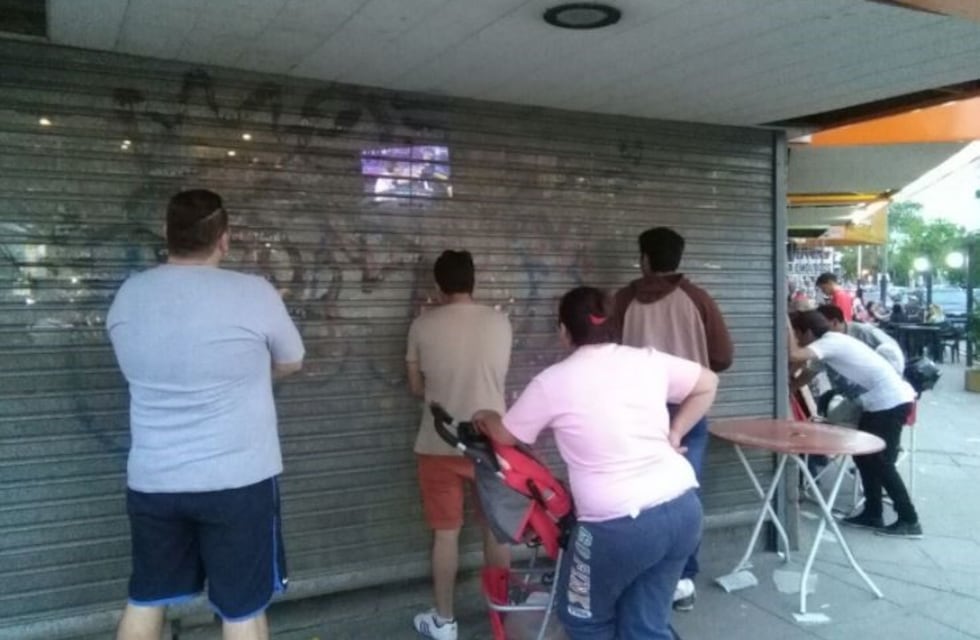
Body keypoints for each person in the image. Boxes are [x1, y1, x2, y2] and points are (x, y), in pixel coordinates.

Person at [107, 190, 305, 640]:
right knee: (241, 608)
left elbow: (131, 368)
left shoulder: (129, 294)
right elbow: (292, 360)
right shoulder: (253, 293)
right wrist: (250, 373)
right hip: (237, 482)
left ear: (167, 236)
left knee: (146, 596)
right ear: (224, 240)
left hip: (154, 481)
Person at [473, 286, 718, 639]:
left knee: (584, 619)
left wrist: (485, 414)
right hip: (682, 510)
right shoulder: (647, 360)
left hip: (615, 526)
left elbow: (507, 435)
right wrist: (676, 433)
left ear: (563, 331)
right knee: (645, 624)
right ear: (613, 325)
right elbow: (708, 383)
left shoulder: (552, 381)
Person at [613, 226, 733, 611]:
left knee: (636, 493)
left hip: (637, 412)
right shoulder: (697, 300)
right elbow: (724, 357)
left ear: (645, 259)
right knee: (685, 494)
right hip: (689, 408)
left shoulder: (624, 300)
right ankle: (681, 580)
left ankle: (637, 574)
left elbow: (605, 353)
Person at [406, 250, 512, 640]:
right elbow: (498, 377)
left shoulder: (422, 325)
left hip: (439, 443)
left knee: (446, 534)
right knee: (496, 531)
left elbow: (417, 388)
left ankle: (445, 621)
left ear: (438, 286)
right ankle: (502, 612)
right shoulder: (500, 322)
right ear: (474, 280)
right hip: (490, 442)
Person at [788, 311, 922, 538]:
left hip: (890, 402)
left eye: (799, 334)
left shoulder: (830, 343)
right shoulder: (828, 349)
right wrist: (787, 384)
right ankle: (873, 513)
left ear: (808, 332)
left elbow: (794, 355)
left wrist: (785, 325)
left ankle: (909, 520)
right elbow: (803, 376)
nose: (798, 340)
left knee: (880, 462)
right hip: (877, 404)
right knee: (863, 456)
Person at [816, 304, 904, 374]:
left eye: (820, 326)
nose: (817, 330)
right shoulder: (828, 341)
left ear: (835, 323)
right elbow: (814, 367)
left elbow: (893, 349)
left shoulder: (864, 331)